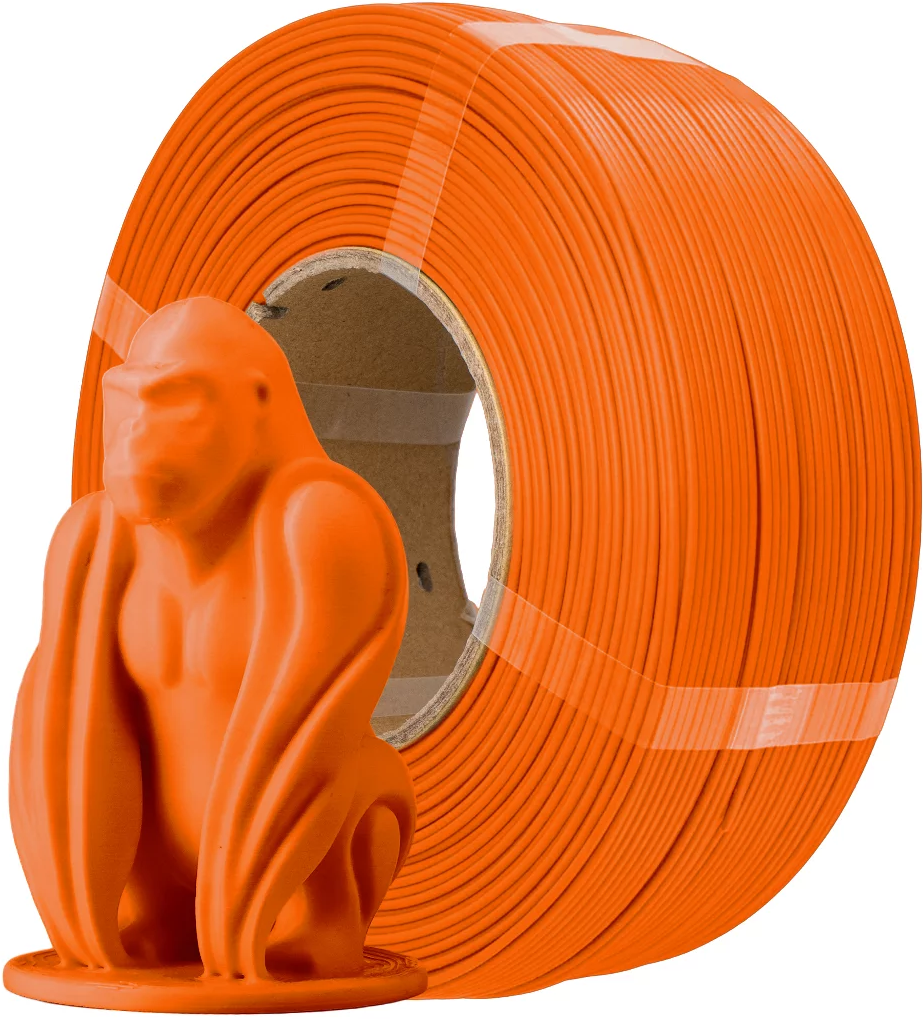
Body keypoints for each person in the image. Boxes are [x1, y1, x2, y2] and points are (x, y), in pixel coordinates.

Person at [10, 296, 414, 981]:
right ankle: (165, 915)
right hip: (158, 865)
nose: (138, 433)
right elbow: (63, 728)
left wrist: (239, 921)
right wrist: (82, 922)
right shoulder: (97, 538)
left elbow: (307, 734)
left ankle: (322, 921)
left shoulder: (316, 521)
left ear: (257, 403)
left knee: (358, 770)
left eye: (175, 402)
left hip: (307, 850)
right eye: (128, 402)